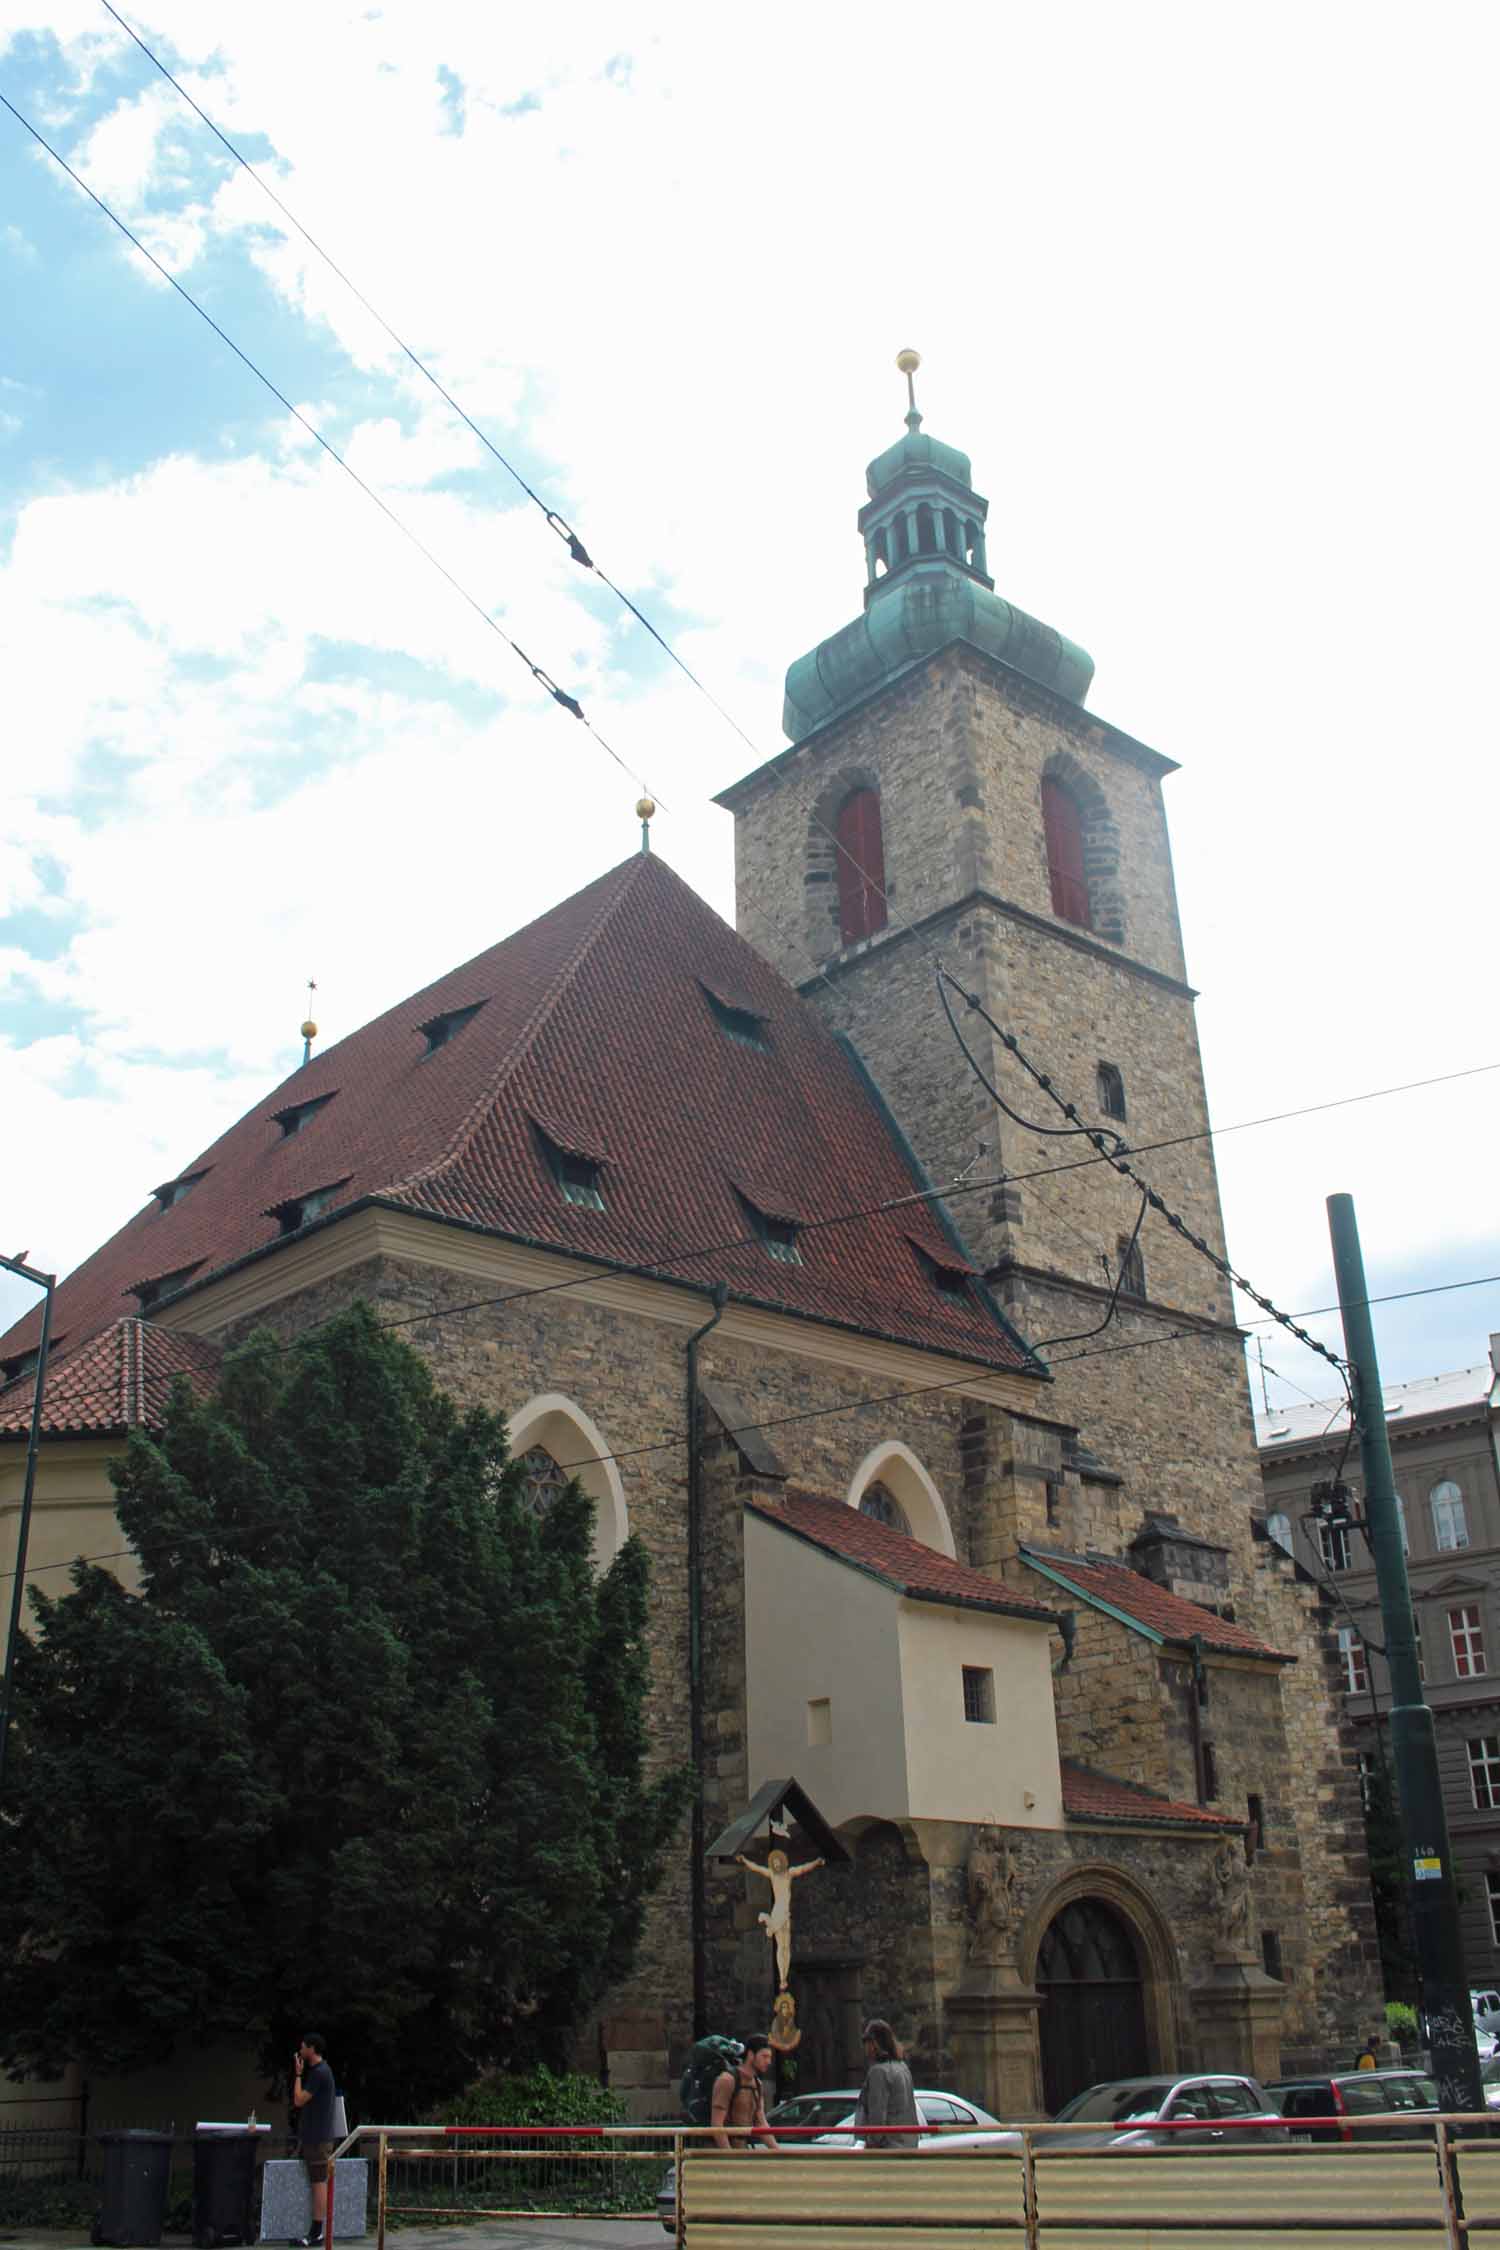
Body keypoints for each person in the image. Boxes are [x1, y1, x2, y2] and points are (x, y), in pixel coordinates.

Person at [291, 2032, 337, 2246]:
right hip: (315, 2137)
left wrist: (298, 2075)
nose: (300, 2051)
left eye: (303, 2047)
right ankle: (316, 2230)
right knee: (316, 2181)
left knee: (319, 2182)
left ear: (312, 2049)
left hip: (319, 2139)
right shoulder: (321, 2071)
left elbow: (299, 2100)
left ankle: (317, 2232)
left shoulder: (319, 2073)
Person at [853, 2019, 920, 2151]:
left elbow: (877, 2115)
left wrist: (871, 2143)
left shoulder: (879, 2072)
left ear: (874, 2044)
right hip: (909, 2144)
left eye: (866, 2043)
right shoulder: (902, 2067)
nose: (865, 2048)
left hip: (888, 2147)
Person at [709, 2034, 780, 2153]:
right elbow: (717, 2123)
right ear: (751, 2055)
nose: (768, 2061)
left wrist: (779, 2153)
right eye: (764, 2056)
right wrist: (730, 2156)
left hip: (742, 2149)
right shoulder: (727, 2080)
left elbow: (761, 2123)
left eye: (770, 2057)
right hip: (720, 2152)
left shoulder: (757, 2084)